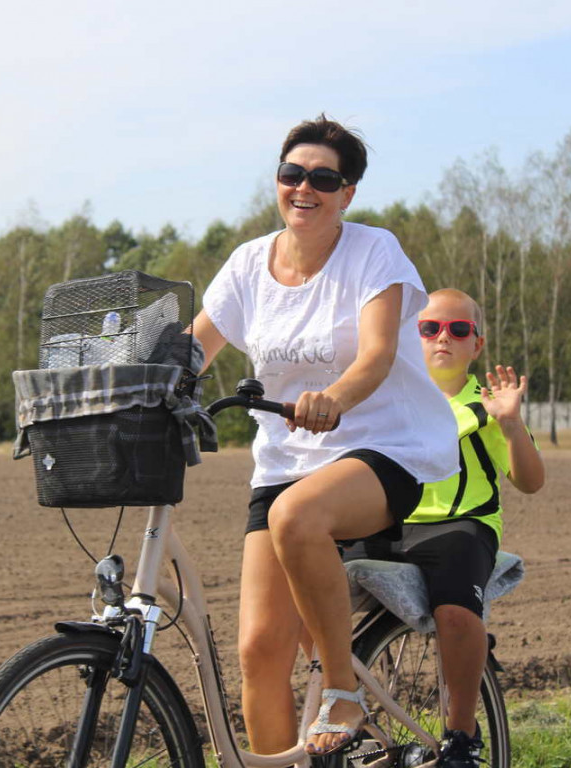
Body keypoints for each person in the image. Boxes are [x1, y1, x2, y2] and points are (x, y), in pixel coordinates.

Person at [190, 114, 460, 757]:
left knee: (297, 517)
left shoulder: (374, 252)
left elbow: (372, 357)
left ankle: (342, 687)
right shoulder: (248, 264)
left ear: (347, 193)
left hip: (382, 447)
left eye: (322, 178)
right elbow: (192, 348)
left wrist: (333, 399)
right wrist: (136, 386)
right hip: (286, 459)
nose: (302, 187)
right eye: (291, 174)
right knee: (259, 651)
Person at [347, 288, 545, 767]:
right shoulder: (386, 396)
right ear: (410, 336)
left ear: (477, 345)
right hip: (389, 522)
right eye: (429, 327)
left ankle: (462, 736)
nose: (443, 338)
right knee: (303, 579)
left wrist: (512, 425)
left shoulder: (489, 404)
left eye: (459, 330)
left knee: (456, 613)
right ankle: (359, 723)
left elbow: (531, 482)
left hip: (460, 525)